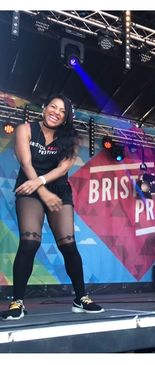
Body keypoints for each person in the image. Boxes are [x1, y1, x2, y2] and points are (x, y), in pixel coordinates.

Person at [2, 95, 104, 320]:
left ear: (66, 117)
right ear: (45, 108)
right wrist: (40, 191)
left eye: (62, 111)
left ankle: (81, 298)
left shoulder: (72, 138)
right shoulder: (25, 129)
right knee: (29, 242)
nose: (56, 112)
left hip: (56, 190)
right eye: (53, 107)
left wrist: (43, 185)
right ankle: (17, 302)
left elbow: (63, 168)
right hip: (29, 189)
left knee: (68, 245)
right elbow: (26, 162)